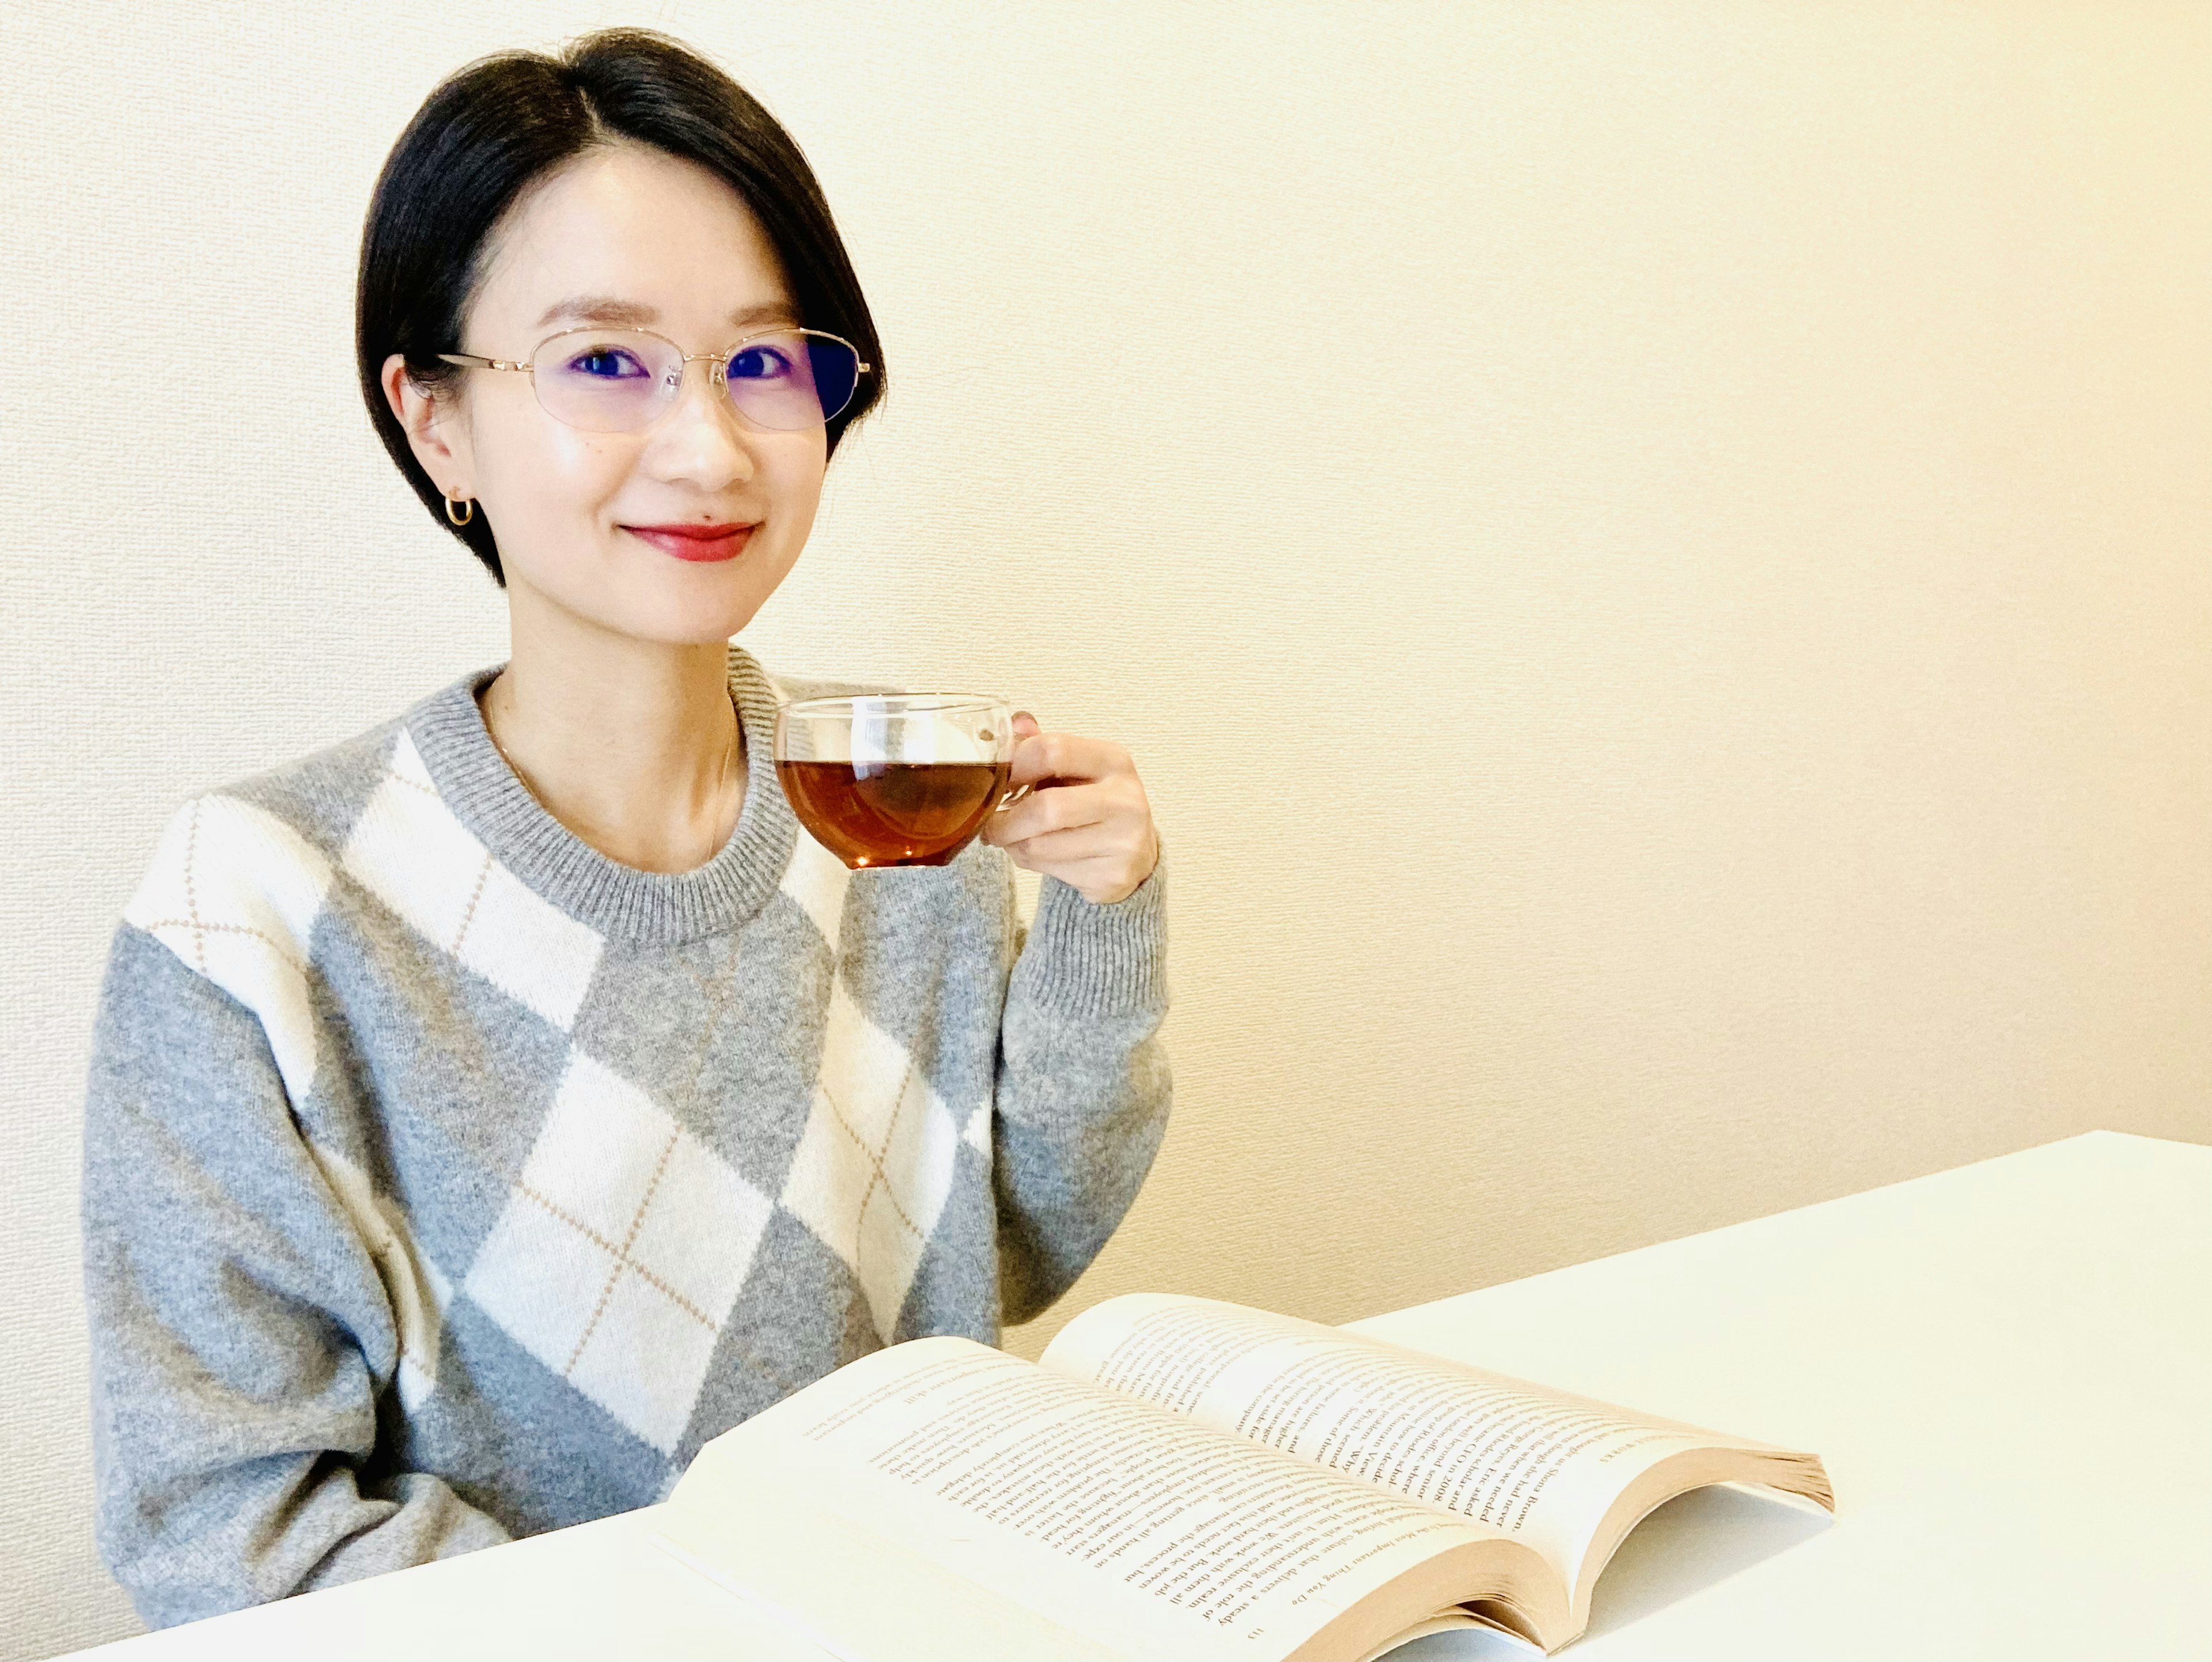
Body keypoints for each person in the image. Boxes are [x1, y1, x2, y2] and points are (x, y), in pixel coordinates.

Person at [79, 28, 1168, 1629]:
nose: (712, 447)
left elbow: (1007, 1251)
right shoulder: (254, 907)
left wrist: (1104, 908)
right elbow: (225, 1523)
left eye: (764, 362)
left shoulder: (889, 789)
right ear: (435, 418)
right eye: (604, 361)